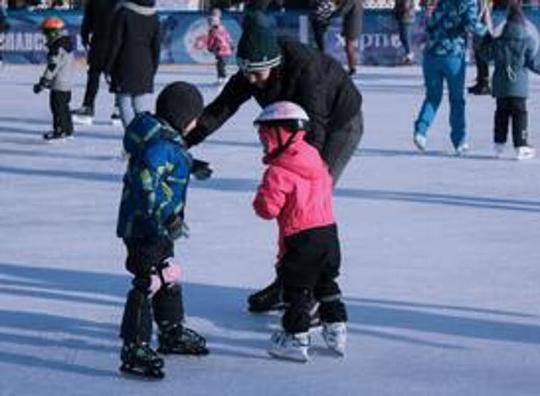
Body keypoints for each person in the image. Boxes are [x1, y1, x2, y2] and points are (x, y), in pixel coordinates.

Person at [184, 12, 362, 314]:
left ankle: (313, 294)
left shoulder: (305, 71)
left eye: (257, 75)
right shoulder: (252, 70)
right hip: (301, 129)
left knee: (308, 208)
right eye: (247, 74)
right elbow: (223, 106)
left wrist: (294, 171)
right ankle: (289, 283)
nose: (252, 81)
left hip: (338, 124)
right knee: (292, 213)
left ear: (274, 64)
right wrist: (187, 139)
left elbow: (315, 130)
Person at [117, 81, 209, 379]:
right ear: (184, 117)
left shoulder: (166, 140)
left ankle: (170, 330)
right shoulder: (159, 146)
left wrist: (191, 165)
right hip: (145, 227)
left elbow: (172, 159)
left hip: (159, 227)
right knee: (148, 280)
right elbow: (147, 182)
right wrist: (163, 217)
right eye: (195, 116)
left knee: (168, 272)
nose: (197, 122)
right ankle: (135, 345)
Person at [252, 101, 347, 362]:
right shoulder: (316, 159)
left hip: (300, 238)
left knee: (298, 291)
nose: (264, 143)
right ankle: (336, 328)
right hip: (329, 235)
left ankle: (295, 337)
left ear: (283, 134)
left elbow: (267, 209)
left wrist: (261, 195)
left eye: (266, 137)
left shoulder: (279, 171)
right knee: (326, 282)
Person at [413, 0, 488, 154]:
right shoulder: (469, 2)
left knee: (432, 97)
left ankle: (421, 131)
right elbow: (471, 24)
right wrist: (488, 33)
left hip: (431, 55)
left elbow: (429, 24)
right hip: (453, 55)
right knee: (456, 99)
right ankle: (459, 140)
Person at [479, 0, 538, 160]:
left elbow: (485, 55)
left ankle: (498, 144)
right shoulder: (528, 41)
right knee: (520, 115)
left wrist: (486, 39)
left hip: (501, 87)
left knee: (501, 114)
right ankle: (521, 145)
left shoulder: (498, 41)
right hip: (519, 88)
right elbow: (534, 63)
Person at [105, 0, 160, 128]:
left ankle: (132, 137)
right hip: (146, 63)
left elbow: (115, 43)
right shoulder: (154, 15)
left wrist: (108, 66)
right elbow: (156, 46)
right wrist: (153, 68)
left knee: (124, 101)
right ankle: (144, 134)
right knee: (140, 103)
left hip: (125, 62)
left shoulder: (124, 12)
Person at [72, 0, 121, 125]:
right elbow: (88, 19)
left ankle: (90, 107)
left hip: (103, 41)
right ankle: (117, 109)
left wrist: (84, 35)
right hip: (111, 41)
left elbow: (87, 20)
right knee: (109, 74)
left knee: (96, 74)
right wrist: (84, 34)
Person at [33, 16, 75, 141]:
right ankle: (68, 129)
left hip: (59, 84)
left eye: (46, 33)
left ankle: (60, 130)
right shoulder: (65, 44)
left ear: (53, 32)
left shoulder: (57, 47)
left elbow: (53, 66)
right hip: (66, 83)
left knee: (58, 107)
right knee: (64, 107)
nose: (45, 36)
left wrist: (44, 81)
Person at [468, 0, 493, 95]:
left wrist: (474, 23)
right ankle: (480, 81)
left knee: (482, 56)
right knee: (478, 55)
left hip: (482, 29)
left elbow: (482, 11)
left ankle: (484, 84)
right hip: (479, 28)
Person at [206, 8, 234, 84]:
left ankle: (223, 77)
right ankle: (221, 77)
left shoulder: (214, 30)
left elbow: (211, 39)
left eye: (211, 23)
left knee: (221, 64)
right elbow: (227, 37)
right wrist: (231, 44)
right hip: (223, 49)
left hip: (221, 49)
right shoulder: (221, 28)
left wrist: (210, 47)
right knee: (220, 64)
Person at [393, 0, 416, 65]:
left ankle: (410, 55)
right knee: (402, 37)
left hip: (406, 18)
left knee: (406, 37)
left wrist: (396, 11)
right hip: (403, 17)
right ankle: (408, 54)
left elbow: (405, 6)